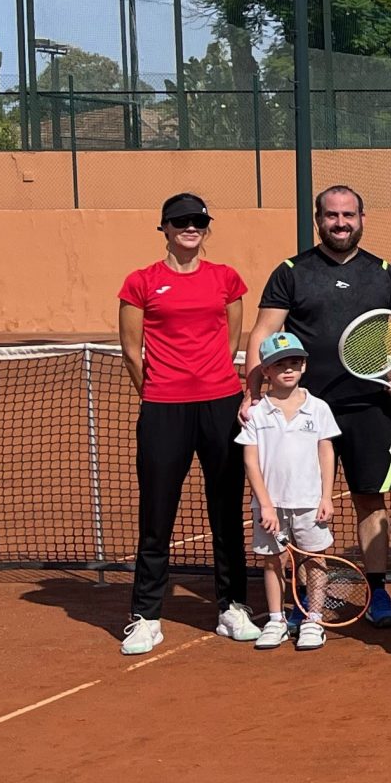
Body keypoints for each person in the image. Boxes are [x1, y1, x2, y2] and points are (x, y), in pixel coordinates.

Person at [248, 184, 391, 628]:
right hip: (302, 411)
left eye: (348, 215)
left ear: (362, 219)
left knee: (371, 499)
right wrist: (253, 395)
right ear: (318, 220)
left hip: (367, 406)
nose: (340, 223)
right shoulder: (291, 271)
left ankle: (378, 592)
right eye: (331, 215)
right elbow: (262, 334)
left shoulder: (383, 272)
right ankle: (303, 598)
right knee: (298, 504)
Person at [116, 192, 256, 654]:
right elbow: (131, 350)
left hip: (221, 404)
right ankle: (146, 615)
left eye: (197, 220)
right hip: (163, 408)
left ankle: (233, 606)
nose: (189, 227)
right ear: (165, 229)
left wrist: (214, 379)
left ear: (205, 228)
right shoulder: (140, 283)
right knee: (156, 515)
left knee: (226, 511)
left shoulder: (226, 279)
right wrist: (157, 392)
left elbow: (233, 336)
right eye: (180, 221)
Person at [237, 332, 339, 650]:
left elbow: (326, 453)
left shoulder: (319, 409)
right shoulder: (257, 413)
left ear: (304, 366)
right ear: (265, 370)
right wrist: (265, 505)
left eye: (295, 362)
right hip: (271, 506)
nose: (288, 369)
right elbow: (251, 462)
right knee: (272, 561)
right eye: (280, 364)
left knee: (314, 559)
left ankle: (313, 618)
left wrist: (326, 497)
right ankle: (277, 619)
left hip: (310, 503)